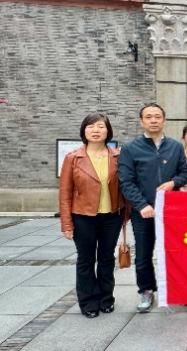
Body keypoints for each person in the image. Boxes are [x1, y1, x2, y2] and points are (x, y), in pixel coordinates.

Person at [118, 103, 187, 313]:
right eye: (148, 117)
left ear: (164, 120)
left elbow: (185, 173)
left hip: (171, 210)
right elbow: (126, 181)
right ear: (142, 121)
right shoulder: (131, 149)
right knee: (143, 254)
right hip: (144, 212)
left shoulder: (175, 147)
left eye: (157, 116)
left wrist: (173, 183)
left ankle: (178, 289)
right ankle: (146, 290)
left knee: (176, 252)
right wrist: (142, 205)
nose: (153, 120)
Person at [59, 113, 125, 318]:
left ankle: (106, 298)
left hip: (111, 216)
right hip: (83, 216)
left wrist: (127, 215)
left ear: (108, 131)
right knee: (86, 260)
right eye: (90, 126)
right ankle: (88, 301)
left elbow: (126, 187)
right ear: (83, 131)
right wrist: (67, 224)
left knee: (106, 258)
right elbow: (65, 193)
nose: (96, 130)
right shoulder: (73, 158)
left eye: (100, 126)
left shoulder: (118, 157)